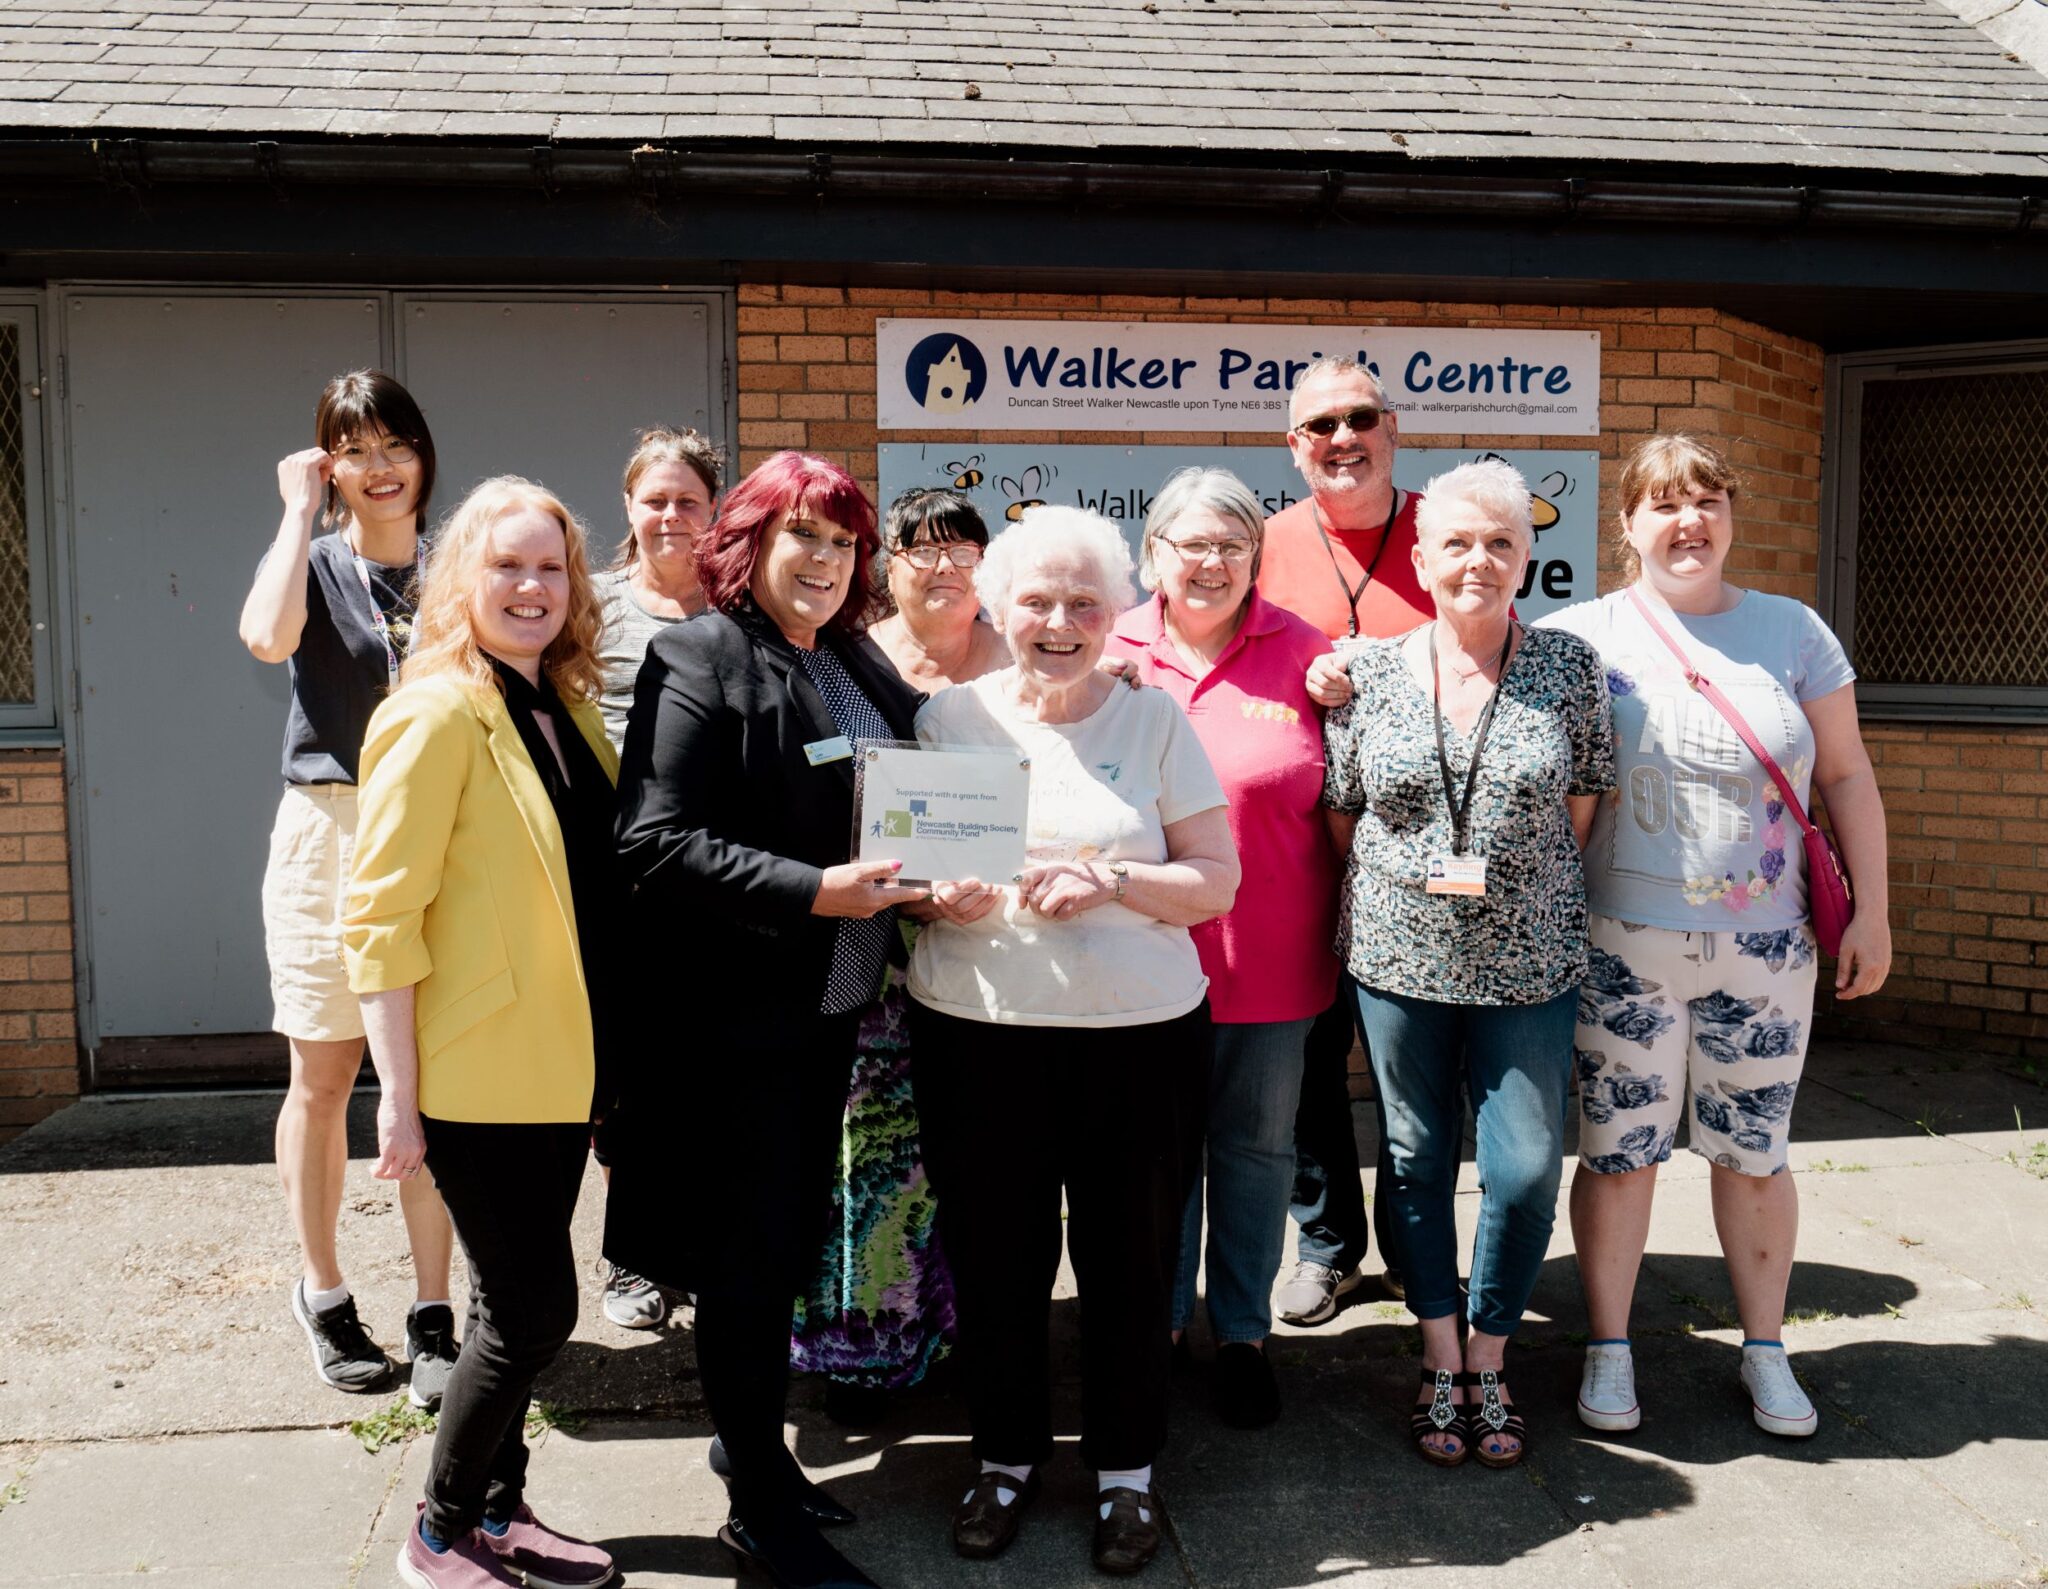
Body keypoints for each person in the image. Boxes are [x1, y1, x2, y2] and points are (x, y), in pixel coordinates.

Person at [604, 452, 927, 1589]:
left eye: (842, 543)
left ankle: (760, 1458)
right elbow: (653, 840)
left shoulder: (848, 658)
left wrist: (940, 872)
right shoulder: (698, 654)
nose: (826, 562)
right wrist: (816, 888)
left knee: (785, 1247)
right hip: (737, 1025)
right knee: (746, 1263)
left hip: (834, 1009)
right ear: (747, 545)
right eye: (804, 537)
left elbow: (913, 788)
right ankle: (755, 1500)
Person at [908, 506, 1240, 1575]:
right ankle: (1002, 1459)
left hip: (1135, 1039)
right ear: (998, 610)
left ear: (1115, 614)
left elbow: (1214, 881)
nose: (1058, 622)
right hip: (979, 1034)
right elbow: (904, 877)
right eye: (1037, 602)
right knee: (995, 1257)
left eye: (1082, 603)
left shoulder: (1153, 723)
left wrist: (1110, 875)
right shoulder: (946, 721)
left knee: (1130, 1261)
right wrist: (928, 897)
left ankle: (1125, 1475)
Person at [1541, 434, 1891, 1440]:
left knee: (1753, 1155)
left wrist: (1871, 908)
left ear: (1730, 515)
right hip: (1621, 946)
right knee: (1617, 1154)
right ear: (1625, 525)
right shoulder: (1577, 636)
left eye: (1705, 500)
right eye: (1662, 504)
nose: (1686, 520)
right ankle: (1608, 1348)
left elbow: (1847, 776)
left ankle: (1765, 1347)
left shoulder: (1791, 631)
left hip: (1765, 951)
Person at [345, 476, 620, 1589]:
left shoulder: (562, 705)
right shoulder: (431, 708)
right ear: (461, 576)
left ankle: (499, 1512)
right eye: (505, 564)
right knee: (533, 1304)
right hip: (476, 1069)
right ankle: (439, 1529)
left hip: (560, 1065)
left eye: (550, 566)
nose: (530, 586)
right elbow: (379, 916)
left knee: (521, 1297)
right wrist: (397, 1093)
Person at [1321, 459, 1614, 1469]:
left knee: (1525, 1165)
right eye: (1455, 541)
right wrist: (1405, 891)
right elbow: (1340, 810)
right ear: (1421, 556)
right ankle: (1441, 1353)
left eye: (1498, 541)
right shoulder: (1367, 671)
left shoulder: (1566, 668)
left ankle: (1494, 1344)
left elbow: (1581, 801)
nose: (1477, 559)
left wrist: (1512, 886)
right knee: (1410, 1155)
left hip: (1528, 959)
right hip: (1396, 956)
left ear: (1527, 556)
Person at [237, 369, 456, 1405]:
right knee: (323, 1080)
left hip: (443, 839)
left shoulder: (458, 569)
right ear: (330, 466)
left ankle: (433, 1311)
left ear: (422, 454)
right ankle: (323, 1292)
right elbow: (266, 638)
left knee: (441, 1085)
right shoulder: (314, 564)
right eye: (353, 449)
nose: (378, 468)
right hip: (330, 831)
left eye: (393, 445)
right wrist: (293, 511)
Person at [1104, 469, 1340, 1431]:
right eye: (1188, 543)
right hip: (1139, 962)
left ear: (1255, 557)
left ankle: (1242, 1332)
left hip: (1274, 963)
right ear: (1152, 551)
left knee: (1254, 1154)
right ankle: (1156, 1327)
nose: (1208, 562)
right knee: (1155, 1161)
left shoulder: (1308, 653)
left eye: (1229, 545)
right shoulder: (1107, 646)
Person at [788, 486, 988, 1425]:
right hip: (874, 956)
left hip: (990, 948)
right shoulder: (855, 659)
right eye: (923, 550)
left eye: (964, 551)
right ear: (891, 565)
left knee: (973, 1156)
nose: (944, 568)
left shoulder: (1025, 655)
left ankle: (958, 1322)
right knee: (876, 1160)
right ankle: (867, 1345)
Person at [1263, 355, 1429, 1325]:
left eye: (1356, 417)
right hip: (1295, 861)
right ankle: (1323, 1246)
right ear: (1293, 447)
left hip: (1414, 866)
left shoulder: (1440, 532)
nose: (1338, 438)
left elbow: (1491, 646)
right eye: (1316, 425)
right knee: (1307, 1071)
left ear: (1389, 426)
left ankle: (1413, 1250)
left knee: (1410, 1072)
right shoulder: (1267, 543)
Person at [587, 425, 723, 1334]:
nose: (671, 517)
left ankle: (709, 1249)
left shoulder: (742, 605)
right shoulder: (589, 608)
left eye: (689, 501)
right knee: (629, 1084)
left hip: (722, 882)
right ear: (629, 509)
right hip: (619, 883)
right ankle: (633, 1260)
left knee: (711, 1078)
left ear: (715, 512)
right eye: (655, 501)